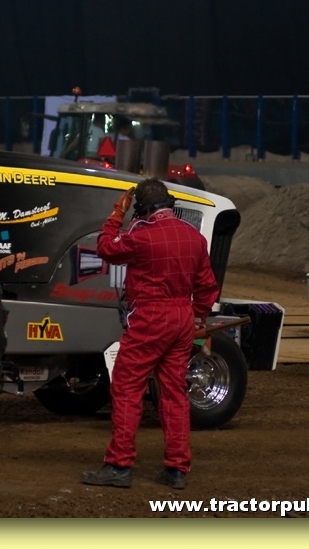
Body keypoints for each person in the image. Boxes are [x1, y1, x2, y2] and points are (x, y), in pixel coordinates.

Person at [81, 178, 219, 490]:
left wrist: (116, 214)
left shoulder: (141, 235)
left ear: (142, 209)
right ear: (169, 204)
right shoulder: (194, 237)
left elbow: (105, 248)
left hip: (150, 317)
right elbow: (207, 287)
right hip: (182, 318)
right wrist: (199, 317)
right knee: (174, 393)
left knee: (127, 387)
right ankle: (177, 469)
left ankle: (119, 465)